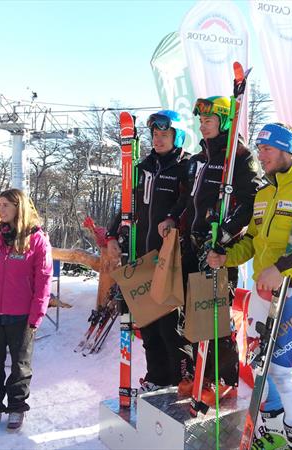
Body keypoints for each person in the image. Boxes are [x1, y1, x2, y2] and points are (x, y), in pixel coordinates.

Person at [207, 123, 292, 449]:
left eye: (266, 149)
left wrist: (282, 269)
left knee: (281, 370)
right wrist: (227, 258)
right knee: (259, 365)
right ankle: (272, 431)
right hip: (263, 293)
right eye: (259, 148)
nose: (260, 155)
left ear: (284, 150)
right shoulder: (264, 193)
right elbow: (252, 241)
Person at [158, 96, 261, 405]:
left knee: (215, 317)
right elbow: (187, 200)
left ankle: (224, 379)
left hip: (218, 248)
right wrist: (172, 217)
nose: (203, 126)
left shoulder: (240, 158)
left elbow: (249, 201)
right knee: (192, 315)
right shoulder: (197, 160)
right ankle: (196, 372)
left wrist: (225, 232)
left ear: (226, 122)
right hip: (191, 244)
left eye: (209, 120)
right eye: (201, 121)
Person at [106, 110, 194, 393]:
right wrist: (111, 234)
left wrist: (172, 216)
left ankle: (179, 380)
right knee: (149, 326)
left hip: (169, 260)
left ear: (177, 136)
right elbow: (126, 204)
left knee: (170, 328)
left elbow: (188, 202)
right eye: (155, 135)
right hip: (140, 256)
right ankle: (156, 378)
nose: (158, 139)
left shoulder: (186, 167)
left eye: (164, 135)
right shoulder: (142, 167)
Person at [0, 188, 52, 432]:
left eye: (5, 205)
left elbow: (43, 281)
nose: (0, 209)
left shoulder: (36, 239)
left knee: (20, 365)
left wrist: (37, 314)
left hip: (21, 316)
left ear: (19, 207)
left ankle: (16, 407)